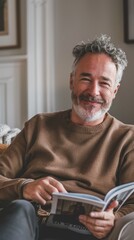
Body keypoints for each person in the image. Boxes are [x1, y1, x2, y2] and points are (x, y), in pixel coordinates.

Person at [0, 34, 134, 240]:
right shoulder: (38, 125)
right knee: (19, 209)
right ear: (72, 81)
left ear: (115, 90)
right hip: (28, 220)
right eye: (86, 79)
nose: (93, 91)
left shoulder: (127, 138)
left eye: (104, 83)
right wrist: (24, 187)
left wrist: (114, 218)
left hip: (83, 230)